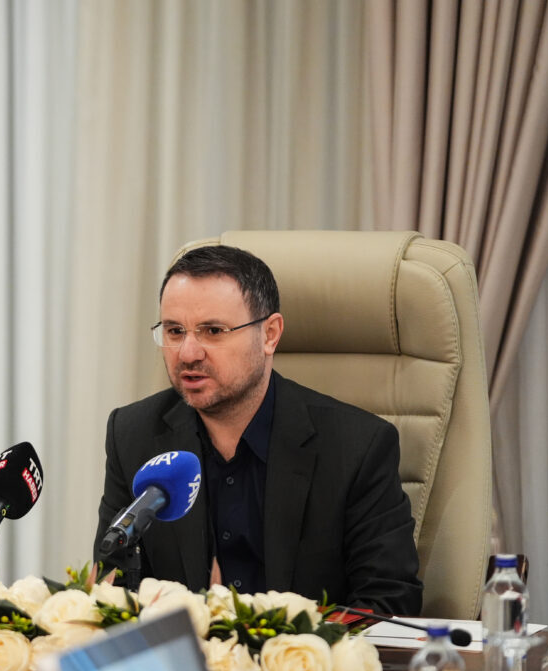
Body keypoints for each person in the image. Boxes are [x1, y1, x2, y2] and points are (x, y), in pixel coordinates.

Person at [94, 244, 422, 616]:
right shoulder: (132, 435)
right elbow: (112, 586)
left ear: (270, 334)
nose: (187, 353)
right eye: (174, 330)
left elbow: (389, 603)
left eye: (213, 331)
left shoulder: (357, 447)